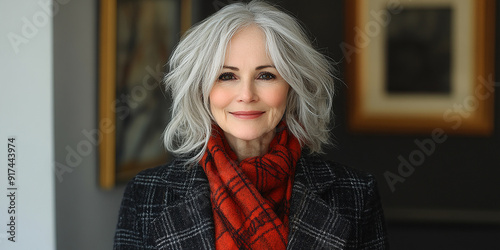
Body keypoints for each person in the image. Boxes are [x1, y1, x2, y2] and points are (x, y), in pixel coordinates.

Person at [114, 1, 389, 249]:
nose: (246, 94)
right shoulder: (146, 193)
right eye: (226, 76)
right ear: (201, 90)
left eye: (266, 75)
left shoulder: (355, 193)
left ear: (293, 87)